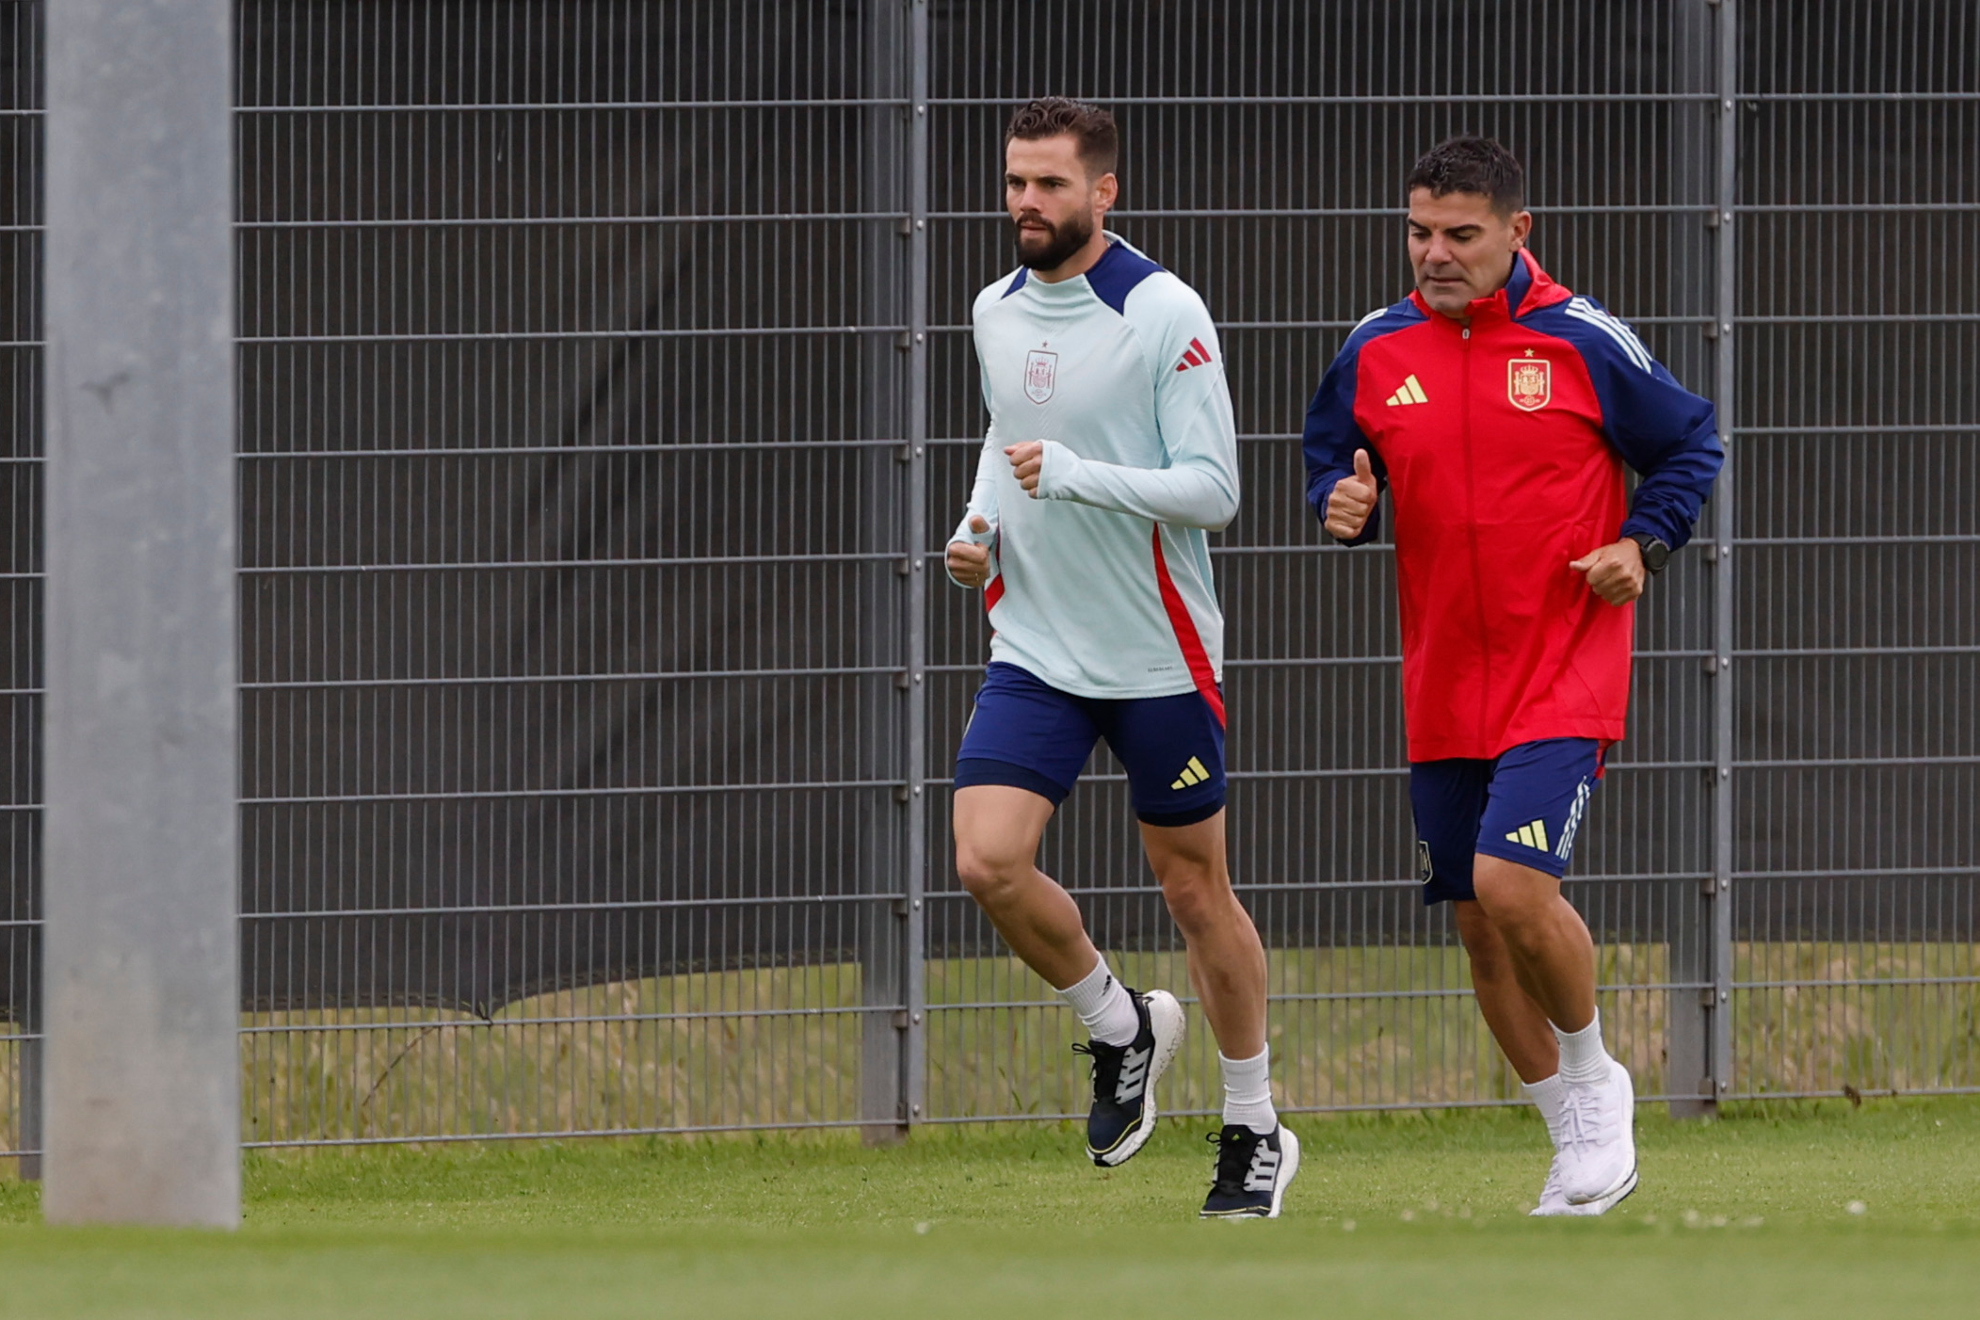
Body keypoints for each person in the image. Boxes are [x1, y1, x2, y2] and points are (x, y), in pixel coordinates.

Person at [1302, 135, 1723, 1215]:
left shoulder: (1581, 339)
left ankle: (1596, 1084)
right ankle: (1567, 1133)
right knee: (1477, 921)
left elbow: (1691, 443)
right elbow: (1330, 457)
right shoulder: (1375, 345)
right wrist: (1337, 507)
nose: (1434, 254)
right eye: (1419, 232)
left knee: (1513, 885)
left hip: (1564, 663)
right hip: (1443, 681)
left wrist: (1642, 543)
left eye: (1460, 235)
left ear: (1516, 233)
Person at [945, 96, 1298, 1218]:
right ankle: (1121, 1023)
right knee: (986, 862)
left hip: (1157, 656)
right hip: (1036, 645)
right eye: (1014, 182)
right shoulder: (994, 310)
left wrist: (1080, 474)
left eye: (1050, 184)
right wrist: (976, 528)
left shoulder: (1163, 311)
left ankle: (1254, 1125)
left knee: (1196, 893)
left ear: (1105, 192)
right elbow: (1005, 447)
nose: (1027, 204)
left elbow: (1217, 491)